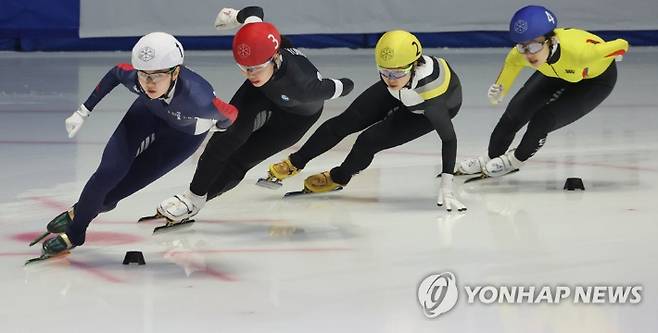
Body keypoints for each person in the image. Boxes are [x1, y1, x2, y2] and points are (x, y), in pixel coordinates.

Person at [29, 32, 237, 259]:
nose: (148, 83)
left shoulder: (198, 98)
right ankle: (76, 233)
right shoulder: (136, 80)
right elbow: (116, 72)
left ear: (175, 72)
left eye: (156, 76)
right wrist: (83, 111)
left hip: (181, 138)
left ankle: (78, 212)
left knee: (111, 197)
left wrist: (220, 126)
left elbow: (231, 113)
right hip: (147, 114)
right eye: (144, 75)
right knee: (107, 173)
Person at [156, 6, 354, 222]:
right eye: (243, 68)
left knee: (241, 160)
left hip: (295, 119)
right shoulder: (257, 44)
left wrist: (342, 84)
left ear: (275, 57)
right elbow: (254, 12)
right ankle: (192, 197)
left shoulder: (304, 86)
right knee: (225, 138)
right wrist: (234, 17)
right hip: (261, 95)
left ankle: (197, 203)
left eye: (256, 68)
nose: (250, 74)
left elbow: (346, 85)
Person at [267, 30, 467, 211]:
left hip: (422, 110)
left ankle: (339, 177)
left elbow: (449, 139)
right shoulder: (396, 75)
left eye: (396, 73)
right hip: (406, 90)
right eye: (384, 71)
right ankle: (296, 161)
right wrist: (394, 75)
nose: (390, 79)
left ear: (414, 65)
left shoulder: (431, 96)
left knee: (368, 141)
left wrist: (447, 185)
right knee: (345, 122)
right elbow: (393, 76)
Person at [457, 5, 629, 177]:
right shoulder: (521, 55)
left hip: (595, 81)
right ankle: (491, 157)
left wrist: (610, 51)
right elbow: (507, 75)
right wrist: (498, 94)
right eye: (522, 47)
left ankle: (515, 160)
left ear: (551, 41)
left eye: (533, 47)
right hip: (555, 71)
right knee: (515, 113)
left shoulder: (582, 53)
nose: (529, 54)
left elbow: (622, 43)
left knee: (543, 119)